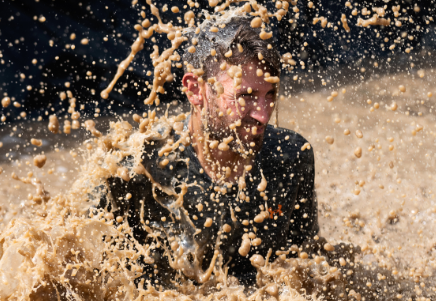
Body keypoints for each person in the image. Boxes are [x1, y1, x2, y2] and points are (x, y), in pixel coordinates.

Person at [97, 16, 319, 286]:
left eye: (270, 95)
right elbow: (92, 281)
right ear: (195, 90)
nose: (263, 115)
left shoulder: (291, 156)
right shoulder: (137, 167)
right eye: (246, 96)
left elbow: (306, 267)